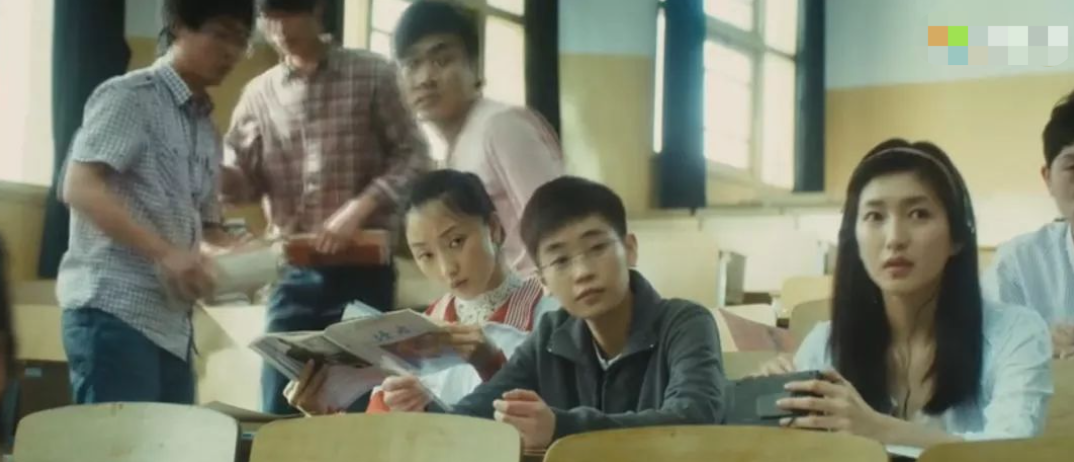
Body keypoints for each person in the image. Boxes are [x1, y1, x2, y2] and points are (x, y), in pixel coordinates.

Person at [755, 140, 1053, 457]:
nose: (895, 238)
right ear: (854, 238)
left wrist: (880, 429)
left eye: (918, 214)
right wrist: (761, 408)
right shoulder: (824, 344)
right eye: (875, 216)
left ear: (957, 237)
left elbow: (1012, 452)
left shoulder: (1015, 333)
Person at [399, 176, 726, 451]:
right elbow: (481, 410)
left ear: (629, 249)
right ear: (543, 281)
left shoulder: (685, 323)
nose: (583, 272)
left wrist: (562, 427)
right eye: (560, 261)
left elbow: (694, 419)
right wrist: (427, 409)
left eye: (597, 248)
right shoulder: (551, 335)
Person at [221, 0, 431, 413]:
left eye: (289, 13)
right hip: (292, 274)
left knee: (361, 406)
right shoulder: (259, 94)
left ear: (316, 10)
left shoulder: (372, 73)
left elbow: (415, 156)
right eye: (269, 18)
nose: (280, 29)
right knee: (280, 406)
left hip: (364, 270)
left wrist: (360, 207)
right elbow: (242, 184)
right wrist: (210, 172)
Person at [56, 0, 254, 404]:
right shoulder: (130, 96)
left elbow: (208, 228)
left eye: (241, 41)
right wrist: (165, 253)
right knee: (121, 438)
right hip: (113, 309)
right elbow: (80, 187)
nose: (232, 52)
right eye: (220, 35)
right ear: (179, 26)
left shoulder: (207, 129)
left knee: (173, 436)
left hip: (172, 323)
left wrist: (243, 256)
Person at [284, 169, 557, 415]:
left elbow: (549, 422)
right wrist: (323, 413)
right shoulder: (414, 332)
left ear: (494, 229)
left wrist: (490, 365)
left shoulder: (550, 316)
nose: (447, 268)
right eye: (426, 255)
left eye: (456, 241)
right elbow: (378, 440)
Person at [392, 1, 564, 274]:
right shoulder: (459, 144)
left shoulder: (502, 126)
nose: (425, 78)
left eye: (442, 60)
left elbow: (560, 228)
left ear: (475, 66)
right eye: (412, 64)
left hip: (537, 296)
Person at [982, 90, 1074, 359]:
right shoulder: (1017, 264)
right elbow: (984, 353)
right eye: (1073, 167)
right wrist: (1033, 346)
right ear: (1048, 178)